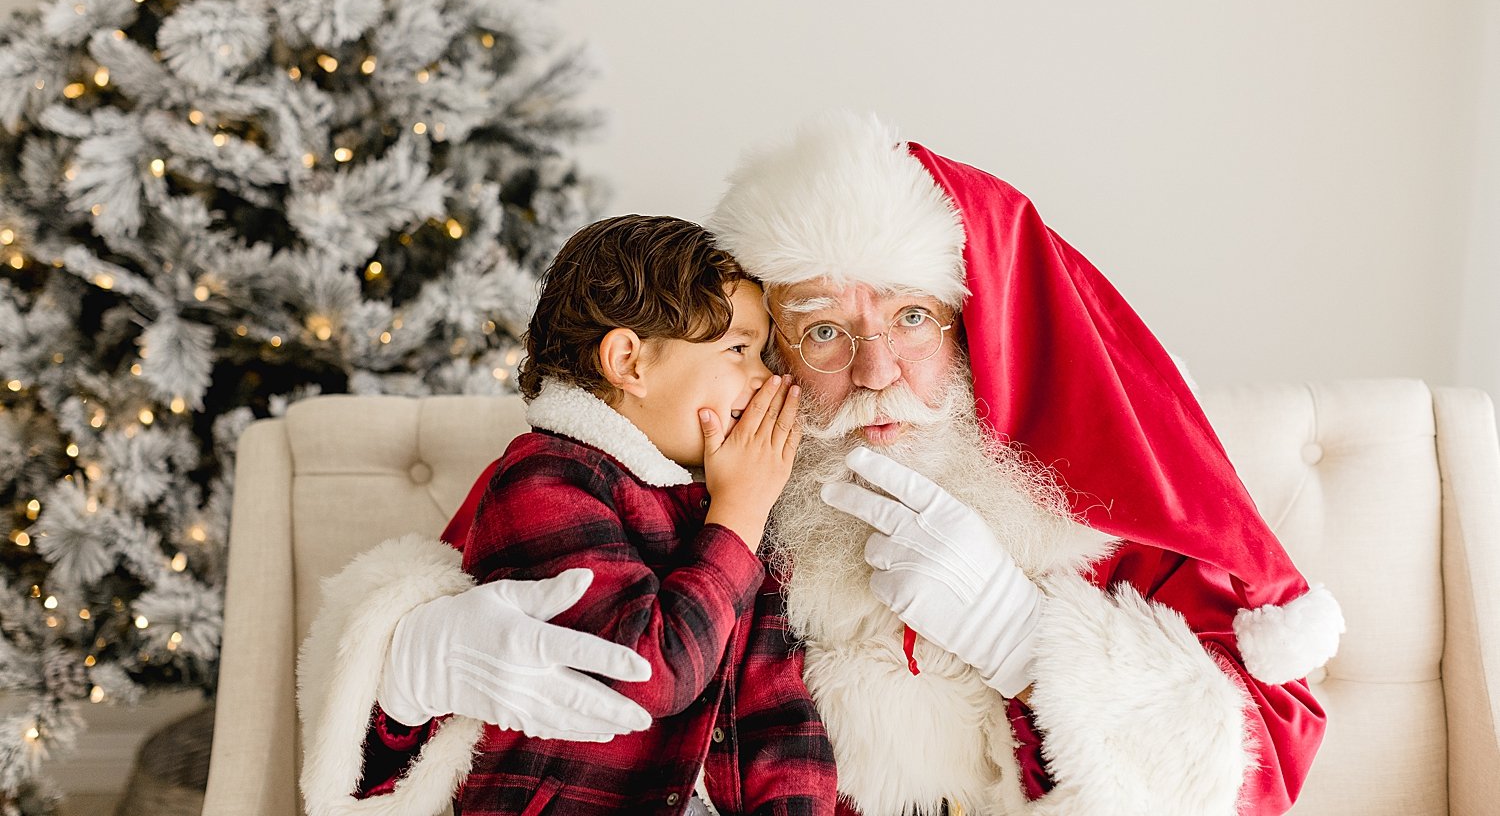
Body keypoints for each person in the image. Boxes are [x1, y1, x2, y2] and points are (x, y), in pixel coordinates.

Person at [302, 112, 1343, 816]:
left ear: (974, 327)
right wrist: (405, 669)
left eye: (913, 316)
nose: (880, 366)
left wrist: (1025, 639)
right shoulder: (693, 484)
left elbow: (1245, 773)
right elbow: (474, 682)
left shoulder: (1082, 509)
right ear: (765, 348)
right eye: (821, 329)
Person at [297, 215, 836, 816]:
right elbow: (646, 674)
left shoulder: (735, 497)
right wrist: (738, 517)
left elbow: (779, 714)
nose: (765, 378)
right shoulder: (547, 479)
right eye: (738, 349)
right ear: (630, 362)